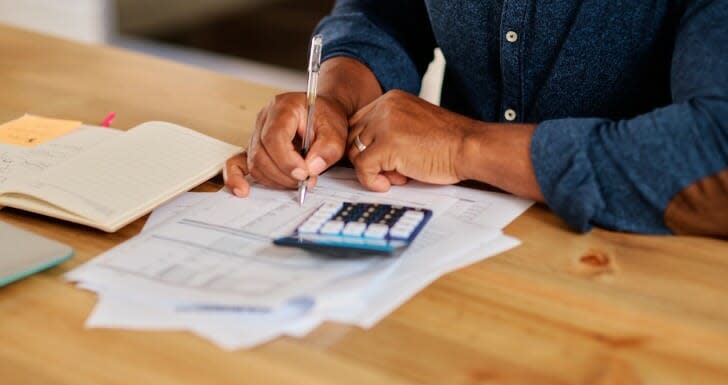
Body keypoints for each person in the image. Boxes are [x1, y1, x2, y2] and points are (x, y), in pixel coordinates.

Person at [224, 1, 728, 238]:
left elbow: (716, 152)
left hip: (643, 269)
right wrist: (335, 99)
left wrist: (464, 145)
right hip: (450, 242)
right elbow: (383, 13)